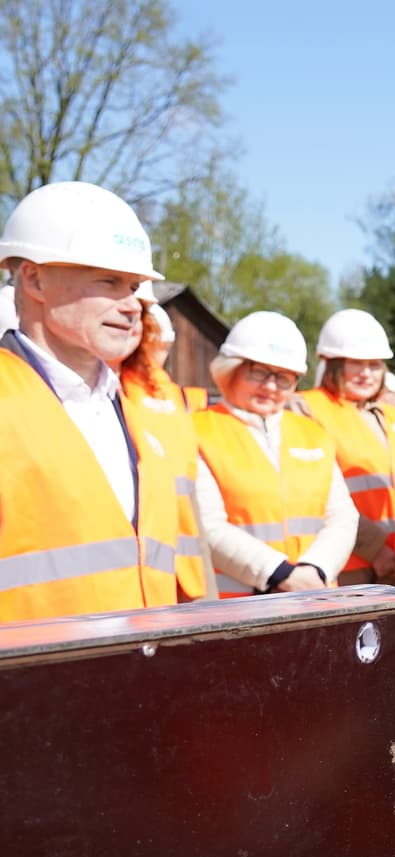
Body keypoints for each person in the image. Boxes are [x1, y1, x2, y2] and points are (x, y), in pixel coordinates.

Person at [0, 182, 197, 622]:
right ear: (34, 279)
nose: (133, 306)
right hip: (29, 686)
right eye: (109, 281)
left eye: (135, 286)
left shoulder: (132, 408)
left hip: (145, 676)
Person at [193, 312, 357, 598]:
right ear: (231, 370)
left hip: (314, 599)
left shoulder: (314, 433)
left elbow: (342, 516)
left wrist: (315, 570)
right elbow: (207, 525)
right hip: (238, 608)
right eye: (258, 372)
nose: (270, 386)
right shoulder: (197, 430)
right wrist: (279, 574)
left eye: (283, 378)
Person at [301, 309, 395, 586]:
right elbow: (315, 491)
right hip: (347, 567)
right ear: (332, 363)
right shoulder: (307, 409)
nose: (367, 373)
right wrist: (375, 548)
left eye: (374, 364)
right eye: (356, 364)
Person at [122, 284, 213, 602]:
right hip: (133, 578)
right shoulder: (115, 386)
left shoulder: (168, 394)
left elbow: (191, 491)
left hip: (183, 569)